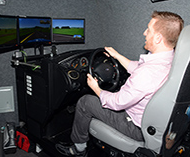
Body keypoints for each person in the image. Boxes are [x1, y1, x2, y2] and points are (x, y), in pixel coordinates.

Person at [56, 11, 184, 157]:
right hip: (155, 124)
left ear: (158, 38)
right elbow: (138, 68)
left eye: (148, 30)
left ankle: (79, 149)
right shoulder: (169, 60)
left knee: (85, 102)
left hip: (135, 127)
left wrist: (95, 88)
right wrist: (117, 55)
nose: (144, 33)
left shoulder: (147, 73)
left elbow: (117, 103)